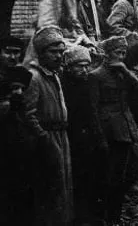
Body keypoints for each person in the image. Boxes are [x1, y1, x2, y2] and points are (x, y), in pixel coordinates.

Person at [90, 35, 138, 225]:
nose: (121, 57)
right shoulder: (96, 76)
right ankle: (104, 218)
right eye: (117, 52)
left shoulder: (123, 73)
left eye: (124, 53)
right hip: (108, 133)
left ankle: (115, 216)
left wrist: (127, 72)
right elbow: (93, 109)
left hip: (125, 130)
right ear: (106, 54)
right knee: (107, 179)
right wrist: (100, 139)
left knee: (121, 180)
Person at [23, 26, 73, 225]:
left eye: (61, 52)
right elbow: (28, 115)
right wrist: (44, 138)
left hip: (61, 137)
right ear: (42, 53)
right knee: (50, 188)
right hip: (46, 140)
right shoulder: (34, 77)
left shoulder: (54, 74)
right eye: (54, 52)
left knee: (63, 187)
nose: (59, 56)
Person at [62, 44, 105, 226]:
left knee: (93, 178)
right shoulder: (63, 85)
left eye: (87, 65)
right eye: (80, 66)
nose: (85, 70)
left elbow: (94, 112)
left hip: (90, 139)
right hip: (72, 139)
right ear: (70, 67)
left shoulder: (90, 83)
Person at [0, 35, 34, 226]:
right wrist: (8, 105)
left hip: (18, 140)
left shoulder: (23, 75)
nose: (12, 57)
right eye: (7, 52)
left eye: (16, 52)